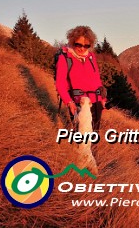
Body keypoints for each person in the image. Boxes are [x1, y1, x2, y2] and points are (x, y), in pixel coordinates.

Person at [55, 25, 104, 172]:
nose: (82, 48)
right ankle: (81, 168)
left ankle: (93, 162)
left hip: (95, 101)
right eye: (78, 44)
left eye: (86, 45)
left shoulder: (91, 57)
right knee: (81, 135)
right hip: (79, 103)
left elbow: (97, 78)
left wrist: (102, 97)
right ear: (72, 41)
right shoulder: (65, 58)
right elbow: (60, 84)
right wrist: (68, 102)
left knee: (94, 133)